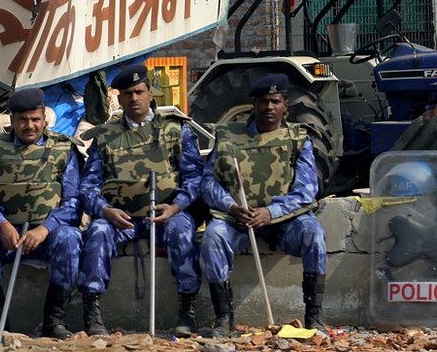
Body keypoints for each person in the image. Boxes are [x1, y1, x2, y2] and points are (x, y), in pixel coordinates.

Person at [77, 64, 205, 337]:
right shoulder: (106, 137)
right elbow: (87, 186)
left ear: (150, 94)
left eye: (139, 91)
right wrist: (105, 210)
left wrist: (175, 206)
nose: (134, 98)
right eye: (127, 94)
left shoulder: (175, 131)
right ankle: (93, 311)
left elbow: (194, 178)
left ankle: (187, 311)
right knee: (98, 232)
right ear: (120, 99)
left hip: (165, 213)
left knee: (183, 230)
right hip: (120, 218)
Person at [200, 73, 327, 337]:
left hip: (284, 221)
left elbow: (306, 191)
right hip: (238, 219)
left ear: (285, 106)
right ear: (254, 105)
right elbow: (208, 183)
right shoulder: (227, 137)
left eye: (275, 101)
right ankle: (224, 319)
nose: (269, 107)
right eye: (263, 102)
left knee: (313, 233)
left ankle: (314, 317)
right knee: (213, 236)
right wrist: (232, 207)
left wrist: (270, 213)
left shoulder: (297, 139)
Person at [0, 88, 84, 341]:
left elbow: (73, 202)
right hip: (8, 236)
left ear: (44, 118)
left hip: (46, 236)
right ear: (12, 120)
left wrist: (45, 229)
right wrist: (2, 226)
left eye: (35, 119)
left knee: (70, 238)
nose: (29, 125)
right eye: (23, 120)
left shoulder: (63, 149)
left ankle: (54, 321)